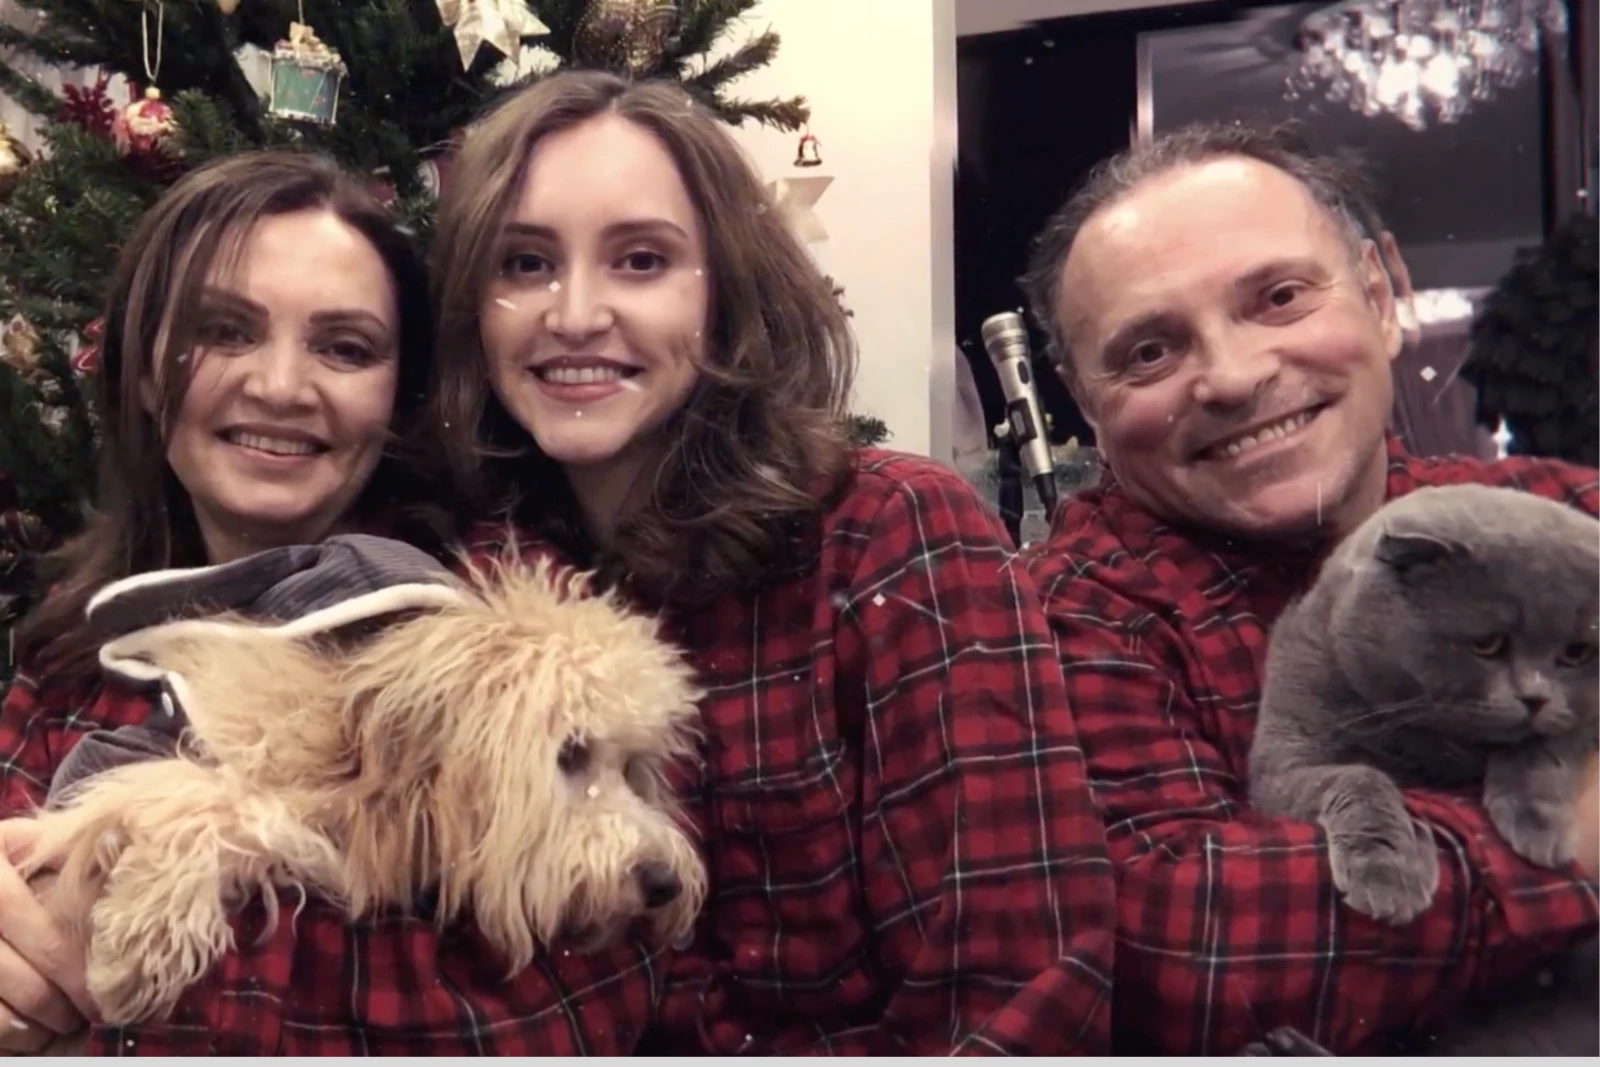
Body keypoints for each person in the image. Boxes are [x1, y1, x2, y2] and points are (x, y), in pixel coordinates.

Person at [420, 70, 1116, 1054]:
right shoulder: (467, 588)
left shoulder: (892, 534)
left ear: (726, 292)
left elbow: (1025, 984)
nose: (573, 313)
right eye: (525, 263)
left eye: (640, 259)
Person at [1017, 122, 1600, 1055]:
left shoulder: (1554, 517)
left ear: (1381, 294)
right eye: (1150, 353)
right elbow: (1175, 952)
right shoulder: (1062, 622)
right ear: (1088, 408)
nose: (1236, 376)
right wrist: (1563, 837)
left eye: (1280, 297)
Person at [0, 151, 549, 1055]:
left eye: (345, 347)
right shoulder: (71, 652)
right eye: (225, 330)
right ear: (142, 371)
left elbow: (555, 1003)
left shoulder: (485, 638)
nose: (282, 387)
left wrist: (125, 962)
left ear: (397, 398)